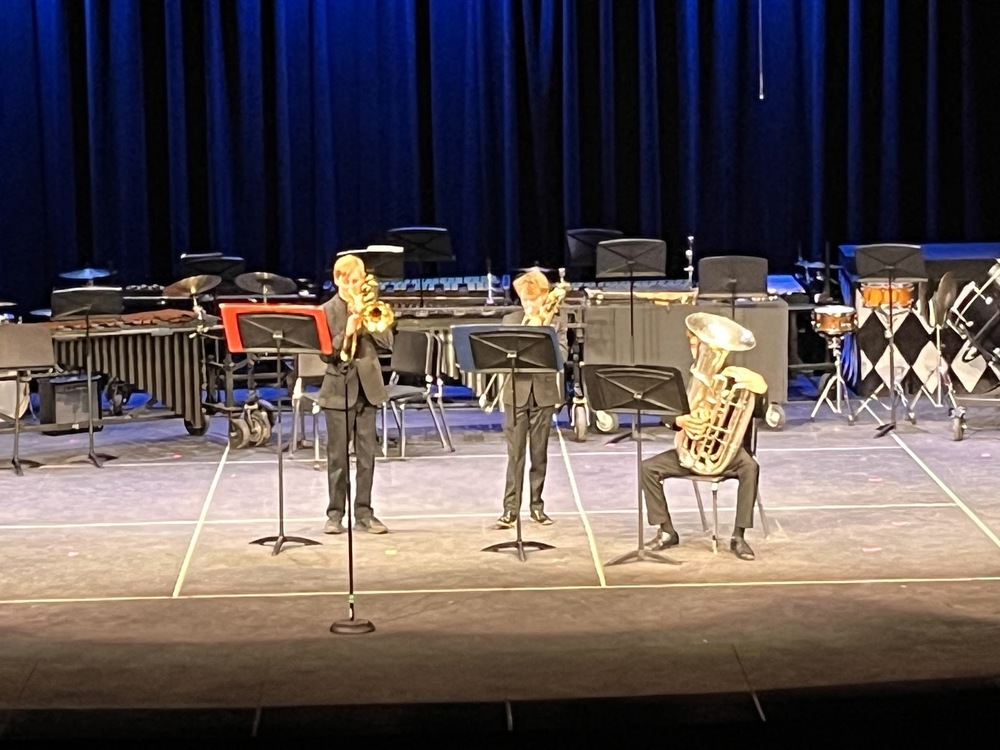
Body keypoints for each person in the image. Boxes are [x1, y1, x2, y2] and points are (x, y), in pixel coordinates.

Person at [640, 327, 766, 561]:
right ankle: (666, 531)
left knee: (751, 467)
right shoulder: (687, 378)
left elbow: (759, 411)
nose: (699, 351)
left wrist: (757, 389)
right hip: (691, 451)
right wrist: (680, 420)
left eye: (702, 345)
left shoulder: (735, 379)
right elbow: (666, 413)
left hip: (727, 453)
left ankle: (739, 536)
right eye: (696, 345)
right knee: (648, 468)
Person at [317, 254, 393, 535]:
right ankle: (335, 515)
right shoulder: (326, 311)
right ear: (338, 279)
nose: (358, 286)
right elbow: (327, 355)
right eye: (352, 281)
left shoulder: (374, 306)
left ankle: (364, 513)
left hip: (368, 390)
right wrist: (347, 331)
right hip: (338, 390)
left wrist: (370, 321)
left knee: (366, 457)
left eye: (361, 280)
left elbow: (388, 344)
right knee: (337, 457)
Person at [495, 270, 569, 529]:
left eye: (533, 300)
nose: (528, 305)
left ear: (545, 297)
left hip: (544, 394)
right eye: (524, 300)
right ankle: (510, 509)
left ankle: (537, 506)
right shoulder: (510, 319)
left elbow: (561, 357)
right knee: (515, 454)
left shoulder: (558, 321)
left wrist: (543, 332)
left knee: (539, 454)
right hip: (516, 394)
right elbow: (504, 356)